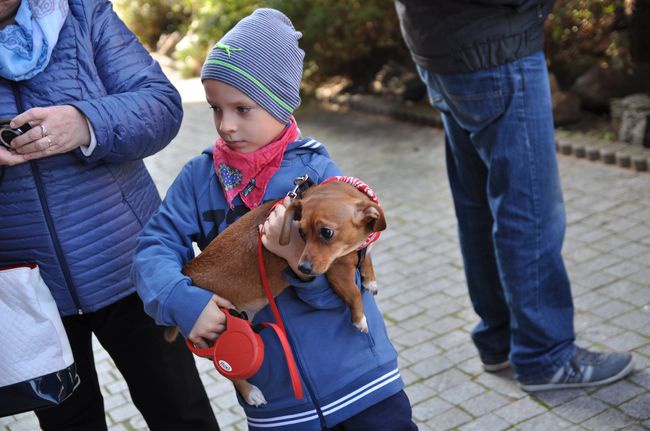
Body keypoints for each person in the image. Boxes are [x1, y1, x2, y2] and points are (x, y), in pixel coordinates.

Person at [133, 8, 417, 431]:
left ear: (280, 104)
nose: (225, 125)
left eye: (242, 109)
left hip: (361, 382)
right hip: (278, 402)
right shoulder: (199, 177)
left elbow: (346, 275)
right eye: (215, 108)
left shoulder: (319, 174)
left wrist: (296, 261)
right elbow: (152, 248)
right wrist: (182, 301)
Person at [0, 0, 219, 429]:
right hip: (29, 285)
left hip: (131, 263)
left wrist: (85, 123)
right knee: (69, 423)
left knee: (181, 412)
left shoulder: (81, 12)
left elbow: (161, 104)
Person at [394, 0, 634, 391]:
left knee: (478, 207)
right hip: (495, 46)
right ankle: (545, 355)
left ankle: (499, 339)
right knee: (530, 210)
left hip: (441, 46)